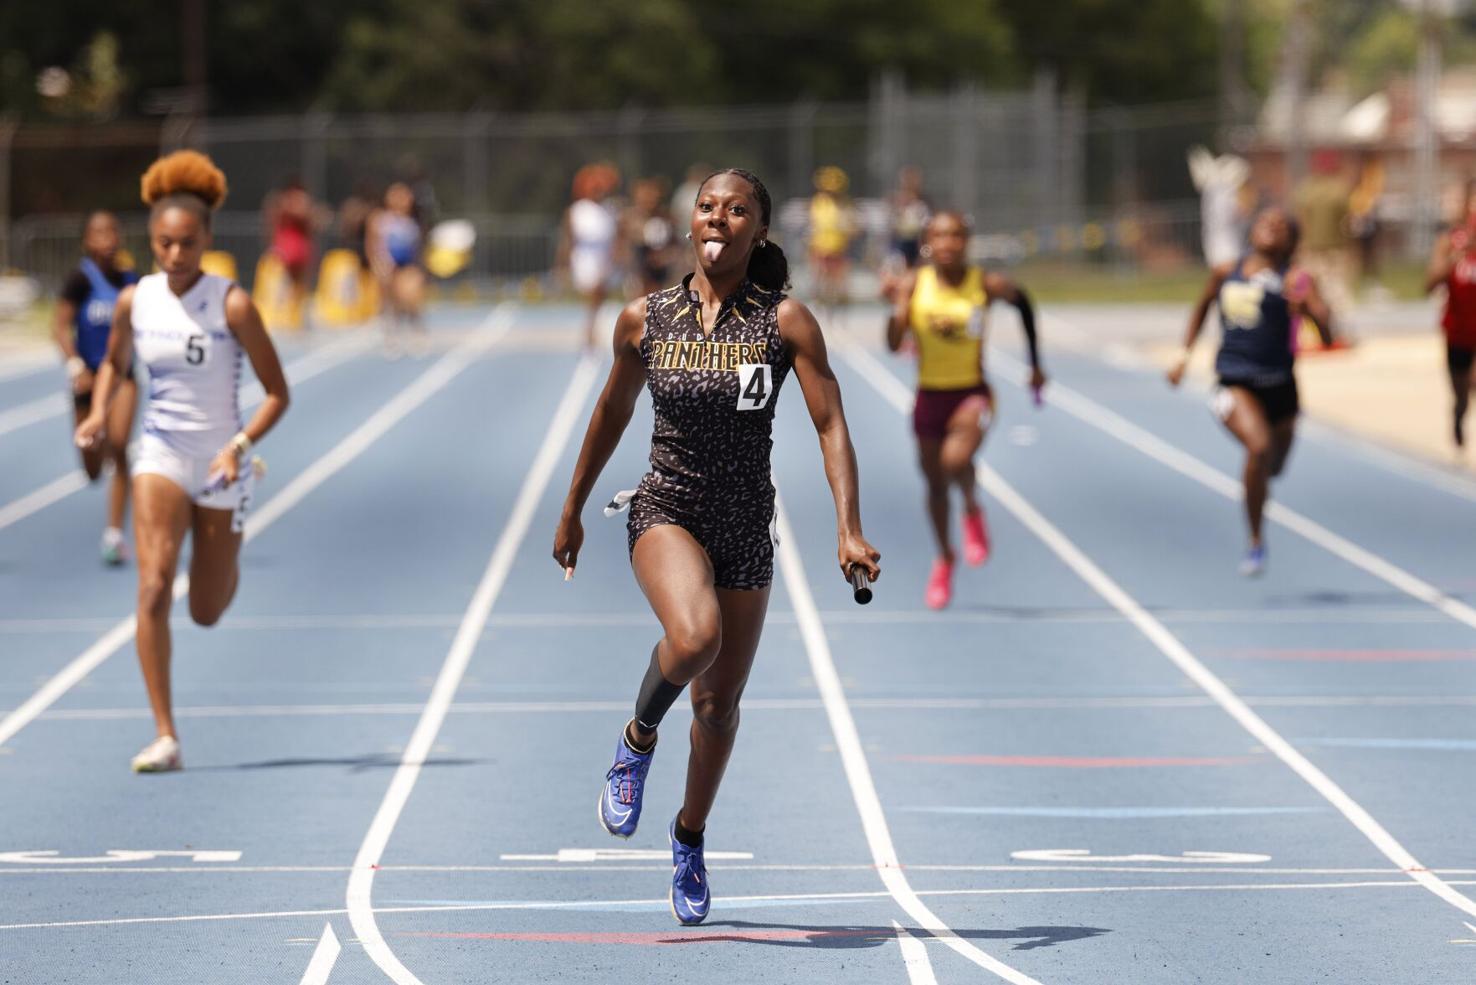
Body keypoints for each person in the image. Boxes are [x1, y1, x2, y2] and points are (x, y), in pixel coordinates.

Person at [552, 168, 880, 926]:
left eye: (737, 211)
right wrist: (570, 509)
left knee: (720, 705)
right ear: (690, 220)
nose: (718, 219)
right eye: (707, 207)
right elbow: (609, 412)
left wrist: (848, 525)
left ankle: (689, 836)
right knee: (693, 636)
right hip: (666, 508)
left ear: (758, 230)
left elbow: (830, 423)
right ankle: (636, 740)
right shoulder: (646, 318)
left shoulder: (785, 322)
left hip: (744, 526)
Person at [75, 150, 290, 772]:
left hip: (223, 459)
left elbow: (279, 392)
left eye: (187, 244)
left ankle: (229, 545)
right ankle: (166, 734)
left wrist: (240, 447)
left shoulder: (233, 305)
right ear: (151, 241)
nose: (175, 255)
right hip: (161, 452)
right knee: (152, 585)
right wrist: (96, 411)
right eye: (164, 244)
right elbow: (116, 363)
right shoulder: (134, 301)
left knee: (206, 609)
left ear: (207, 240)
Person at [886, 211, 1045, 610]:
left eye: (956, 236)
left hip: (971, 394)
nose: (948, 244)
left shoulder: (985, 285)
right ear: (927, 242)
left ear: (966, 242)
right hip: (928, 397)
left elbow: (1024, 301)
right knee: (935, 484)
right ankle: (944, 557)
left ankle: (972, 508)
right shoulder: (913, 284)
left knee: (955, 460)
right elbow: (892, 344)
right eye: (939, 236)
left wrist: (1035, 363)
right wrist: (899, 312)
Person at [1168, 207, 1332, 576]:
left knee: (1273, 467)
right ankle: (1256, 541)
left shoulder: (1297, 279)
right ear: (1253, 231)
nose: (1271, 227)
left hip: (1282, 389)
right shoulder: (1227, 272)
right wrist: (1183, 356)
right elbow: (1200, 310)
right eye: (1265, 222)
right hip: (1235, 381)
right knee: (1258, 448)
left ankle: (1259, 481)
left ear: (1291, 240)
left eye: (1280, 225)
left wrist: (1307, 311)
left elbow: (1328, 335)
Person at [53, 211, 139, 565]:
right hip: (86, 379)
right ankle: (96, 456)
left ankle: (114, 534)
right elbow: (59, 327)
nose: (106, 239)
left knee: (119, 445)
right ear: (87, 240)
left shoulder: (132, 281)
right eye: (98, 233)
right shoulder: (80, 281)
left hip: (122, 377)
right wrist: (75, 365)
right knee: (91, 468)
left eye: (112, 231)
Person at [1426, 177, 1476, 451]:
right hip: (1457, 330)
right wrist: (1450, 263)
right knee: (1461, 397)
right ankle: (1458, 415)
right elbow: (1428, 285)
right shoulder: (1450, 242)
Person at [557, 163, 621, 349]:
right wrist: (563, 264)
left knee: (601, 295)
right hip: (585, 257)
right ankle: (590, 329)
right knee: (594, 292)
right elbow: (568, 239)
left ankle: (594, 325)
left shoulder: (610, 209)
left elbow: (617, 235)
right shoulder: (577, 210)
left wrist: (618, 255)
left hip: (605, 255)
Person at [367, 182, 426, 353]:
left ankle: (417, 329)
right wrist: (378, 262)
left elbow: (416, 248)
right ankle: (391, 332)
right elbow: (372, 244)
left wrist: (420, 267)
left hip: (407, 264)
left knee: (411, 296)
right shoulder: (381, 219)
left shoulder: (412, 222)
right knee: (390, 299)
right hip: (387, 264)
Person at [261, 177, 319, 326]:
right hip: (291, 246)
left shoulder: (283, 201)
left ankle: (294, 314)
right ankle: (289, 314)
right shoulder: (293, 201)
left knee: (295, 284)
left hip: (292, 246)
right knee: (291, 283)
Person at [807, 166, 856, 312]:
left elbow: (852, 225)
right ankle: (819, 302)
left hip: (838, 246)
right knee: (820, 276)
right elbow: (816, 223)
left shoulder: (846, 203)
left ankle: (836, 305)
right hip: (820, 245)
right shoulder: (819, 201)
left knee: (837, 280)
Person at [623, 177, 678, 297]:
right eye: (645, 196)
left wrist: (666, 256)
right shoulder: (631, 217)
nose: (650, 200)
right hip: (638, 267)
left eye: (653, 197)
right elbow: (623, 244)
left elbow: (675, 244)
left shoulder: (666, 216)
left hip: (658, 269)